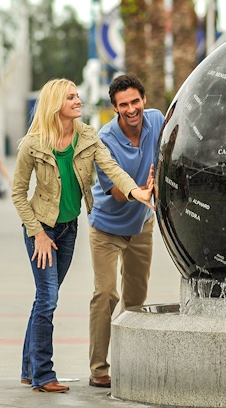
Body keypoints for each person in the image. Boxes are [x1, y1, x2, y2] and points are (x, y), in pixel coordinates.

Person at [11, 78, 155, 394]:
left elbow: (112, 168)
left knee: (43, 300)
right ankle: (43, 375)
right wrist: (37, 234)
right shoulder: (32, 144)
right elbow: (18, 193)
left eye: (78, 96)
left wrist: (135, 191)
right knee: (47, 299)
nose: (78, 101)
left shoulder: (86, 136)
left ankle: (27, 367)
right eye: (71, 97)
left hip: (68, 229)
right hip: (42, 231)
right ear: (55, 105)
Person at [87, 74, 165, 388]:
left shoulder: (157, 120)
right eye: (123, 105)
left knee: (135, 301)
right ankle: (99, 369)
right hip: (107, 228)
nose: (131, 109)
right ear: (116, 109)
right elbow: (116, 191)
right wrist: (140, 191)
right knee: (105, 294)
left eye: (135, 102)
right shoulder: (105, 138)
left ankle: (128, 363)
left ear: (143, 100)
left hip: (141, 226)